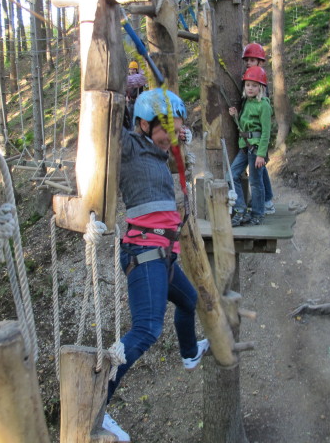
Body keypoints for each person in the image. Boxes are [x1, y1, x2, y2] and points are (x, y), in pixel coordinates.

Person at [102, 89, 209, 441]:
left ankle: (190, 354)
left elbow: (171, 147)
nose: (172, 137)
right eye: (166, 130)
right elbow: (109, 125)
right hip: (144, 252)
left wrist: (178, 136)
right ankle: (97, 403)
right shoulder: (131, 147)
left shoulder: (159, 154)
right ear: (143, 125)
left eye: (176, 130)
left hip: (163, 256)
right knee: (146, 329)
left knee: (188, 300)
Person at [229, 66, 273, 227]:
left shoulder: (264, 106)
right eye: (248, 85)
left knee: (255, 182)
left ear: (260, 87)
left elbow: (266, 132)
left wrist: (261, 154)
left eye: (254, 85)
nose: (250, 88)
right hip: (245, 147)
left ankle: (258, 213)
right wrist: (235, 116)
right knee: (231, 175)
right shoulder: (246, 102)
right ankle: (240, 209)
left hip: (256, 149)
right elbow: (244, 127)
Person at [241, 42, 274, 214]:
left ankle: (264, 202)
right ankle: (267, 198)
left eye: (252, 60)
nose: (248, 63)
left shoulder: (259, 86)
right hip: (251, 139)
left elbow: (264, 122)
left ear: (260, 63)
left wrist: (261, 149)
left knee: (258, 173)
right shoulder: (250, 80)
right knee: (261, 170)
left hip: (257, 138)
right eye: (246, 60)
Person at [123, 60, 147, 129]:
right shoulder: (127, 79)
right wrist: (126, 96)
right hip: (130, 102)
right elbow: (125, 90)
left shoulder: (139, 78)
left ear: (136, 70)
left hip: (138, 102)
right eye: (131, 69)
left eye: (134, 69)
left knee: (138, 118)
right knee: (130, 118)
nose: (132, 71)